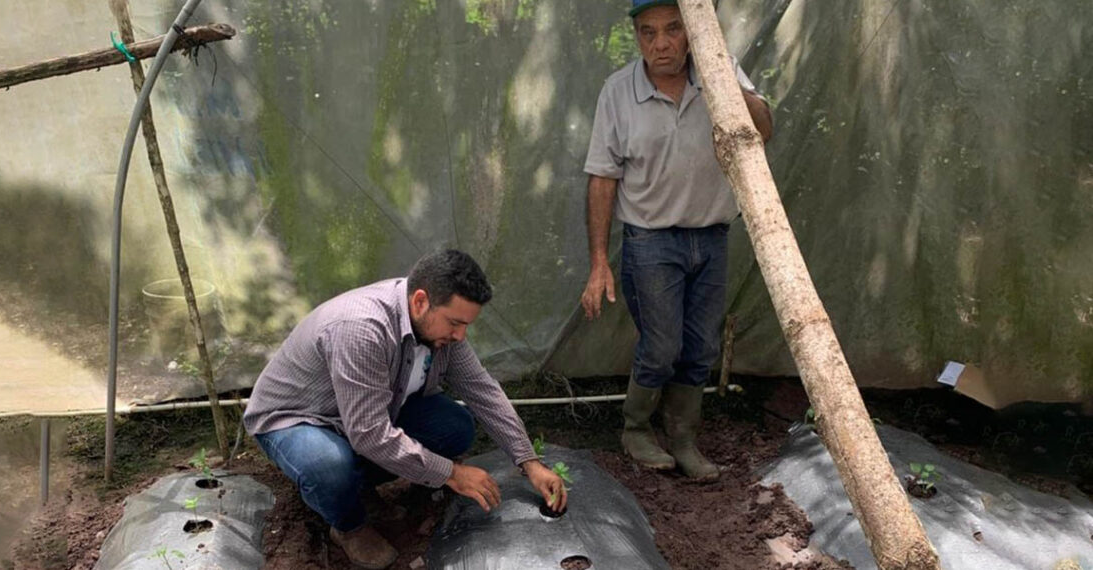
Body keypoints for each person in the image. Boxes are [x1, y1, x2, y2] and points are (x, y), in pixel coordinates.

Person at [244, 249, 567, 570]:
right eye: (455, 323)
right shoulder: (362, 328)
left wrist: (529, 461)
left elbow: (482, 390)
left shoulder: (441, 329)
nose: (460, 336)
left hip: (362, 415)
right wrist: (451, 474)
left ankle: (357, 486)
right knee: (328, 467)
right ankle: (348, 525)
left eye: (466, 325)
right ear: (420, 301)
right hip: (298, 418)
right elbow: (369, 434)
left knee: (455, 427)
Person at [579, 0, 774, 479]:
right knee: (662, 345)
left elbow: (763, 129)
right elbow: (602, 177)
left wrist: (726, 83)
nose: (661, 44)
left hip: (711, 236)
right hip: (651, 240)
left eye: (672, 29)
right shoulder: (619, 91)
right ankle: (636, 429)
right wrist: (599, 261)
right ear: (636, 36)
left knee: (701, 346)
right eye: (648, 32)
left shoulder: (719, 71)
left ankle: (684, 438)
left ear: (691, 32)